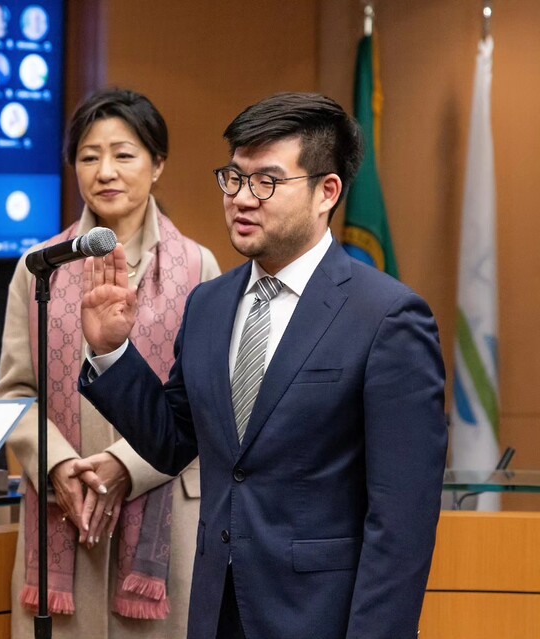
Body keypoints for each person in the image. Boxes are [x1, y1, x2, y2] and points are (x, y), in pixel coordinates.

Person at [76, 92, 448, 639]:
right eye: (233, 177)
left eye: (266, 182)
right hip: (216, 610)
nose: (242, 199)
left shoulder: (388, 317)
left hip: (322, 617)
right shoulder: (209, 304)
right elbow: (173, 442)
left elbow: (402, 524)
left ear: (327, 192)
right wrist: (112, 352)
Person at [0, 88, 221, 639]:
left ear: (158, 163)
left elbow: (212, 404)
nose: (105, 171)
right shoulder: (38, 267)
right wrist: (59, 466)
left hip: (164, 514)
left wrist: (126, 465)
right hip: (60, 510)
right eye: (89, 156)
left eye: (124, 154)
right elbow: (14, 393)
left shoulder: (199, 267)